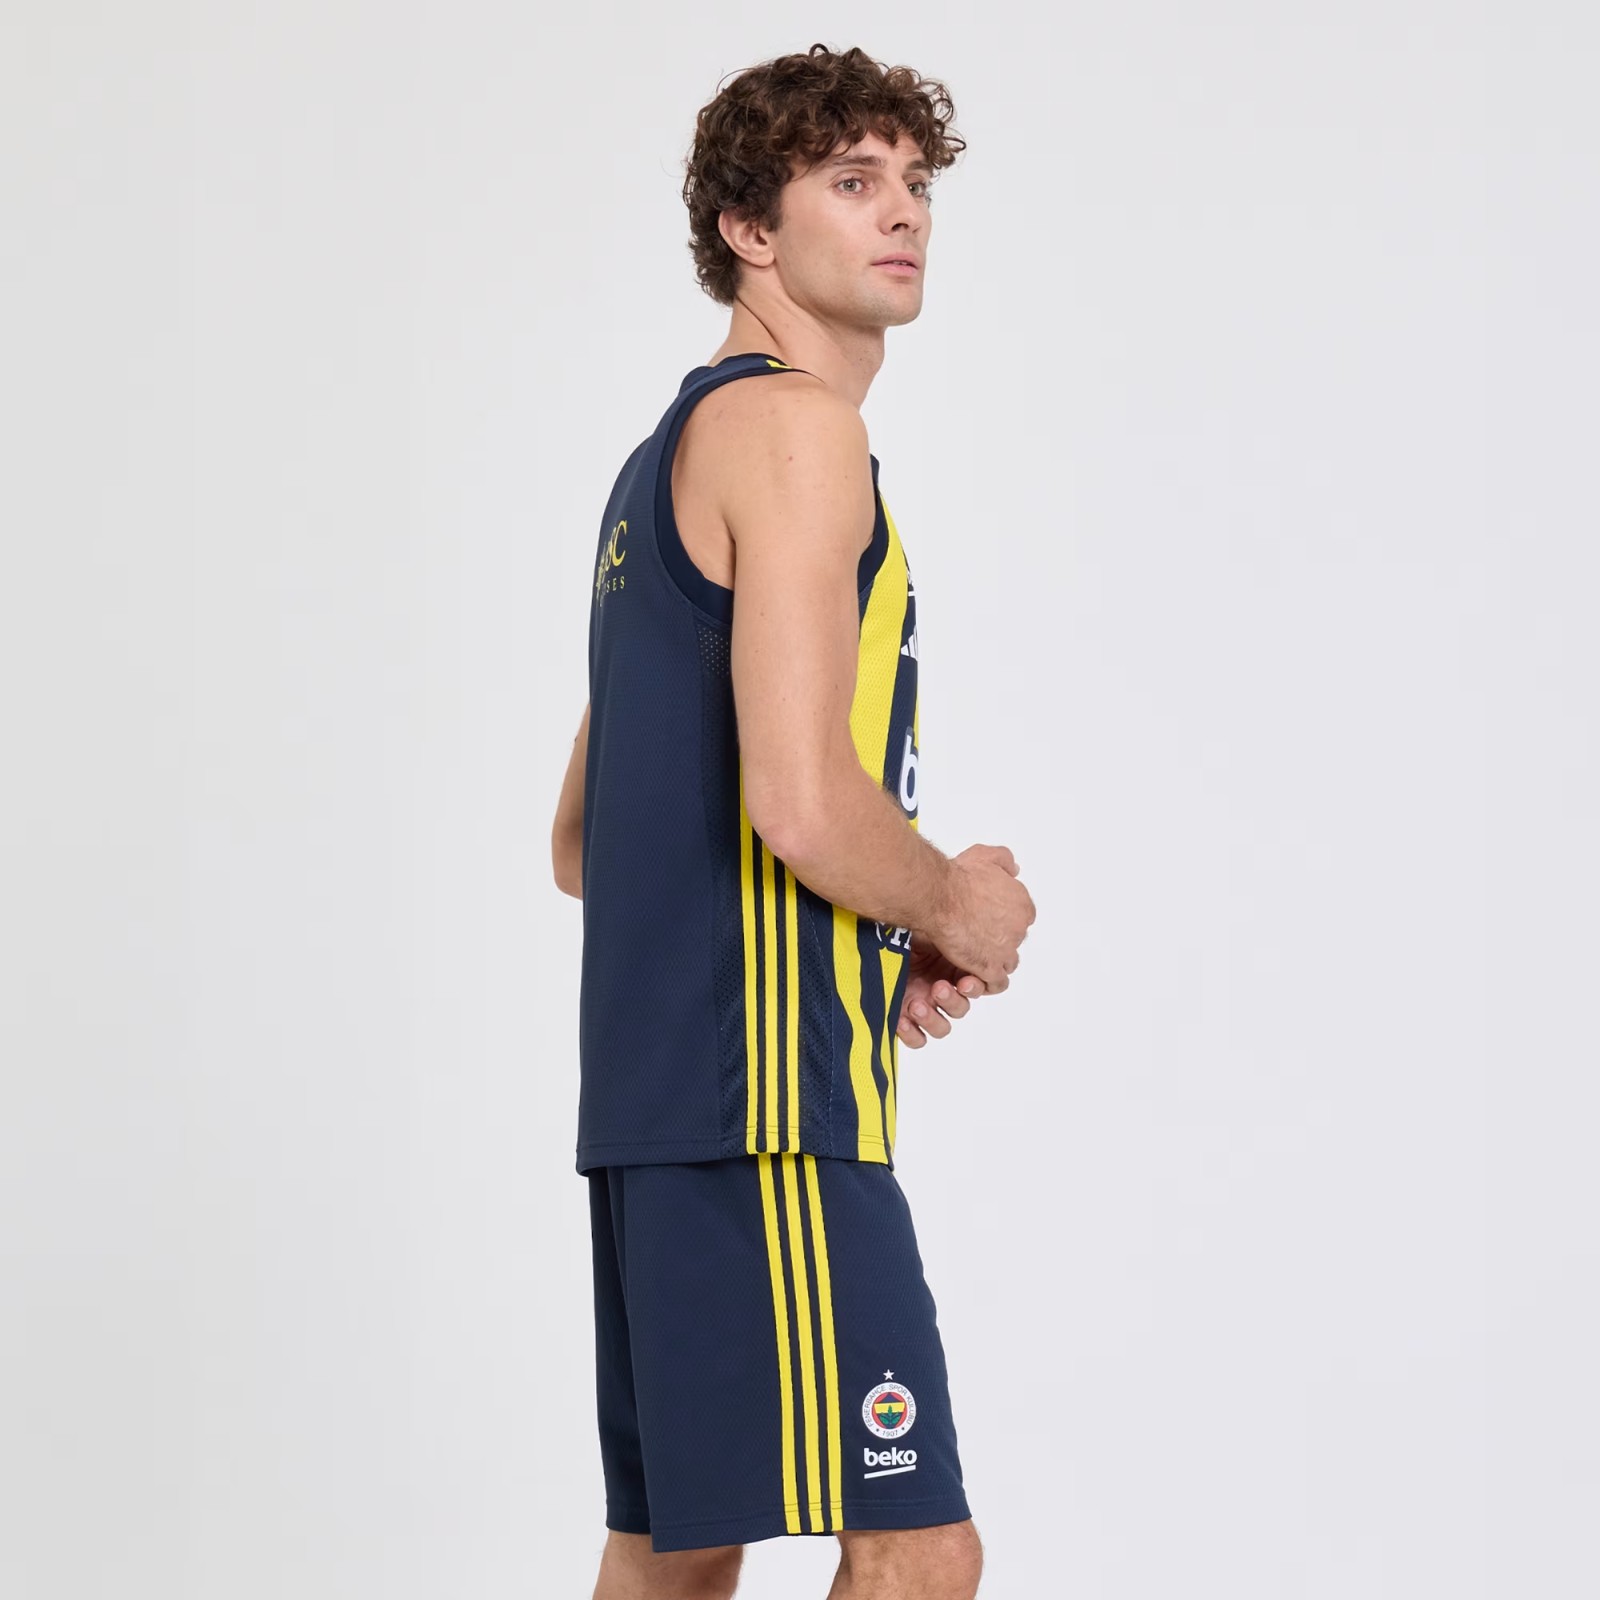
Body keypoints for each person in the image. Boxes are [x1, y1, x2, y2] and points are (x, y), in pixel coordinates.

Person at [550, 43, 1035, 1600]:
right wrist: (949, 904)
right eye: (851, 180)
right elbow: (801, 801)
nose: (905, 213)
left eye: (915, 182)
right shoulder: (799, 432)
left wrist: (858, 934)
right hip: (764, 1108)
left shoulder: (663, 462)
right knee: (916, 1544)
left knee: (679, 1555)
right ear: (749, 230)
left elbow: (587, 840)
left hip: (663, 1108)